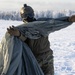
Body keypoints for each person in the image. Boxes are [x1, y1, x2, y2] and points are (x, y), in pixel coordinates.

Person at [6, 4, 75, 75]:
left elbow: (55, 22)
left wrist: (68, 20)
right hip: (35, 59)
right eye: (25, 15)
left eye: (29, 14)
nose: (28, 17)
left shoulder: (42, 23)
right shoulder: (23, 29)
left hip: (47, 57)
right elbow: (24, 41)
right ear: (22, 17)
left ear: (33, 14)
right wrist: (18, 34)